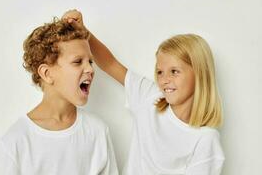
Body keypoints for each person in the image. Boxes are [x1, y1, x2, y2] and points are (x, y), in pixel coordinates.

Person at [62, 10, 225, 175]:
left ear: (199, 73)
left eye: (174, 71)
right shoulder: (150, 97)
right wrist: (84, 32)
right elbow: (110, 64)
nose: (164, 79)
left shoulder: (206, 139)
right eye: (160, 72)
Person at [0, 15, 118, 175]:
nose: (90, 69)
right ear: (47, 73)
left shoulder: (97, 131)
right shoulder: (16, 141)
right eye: (77, 62)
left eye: (90, 62)